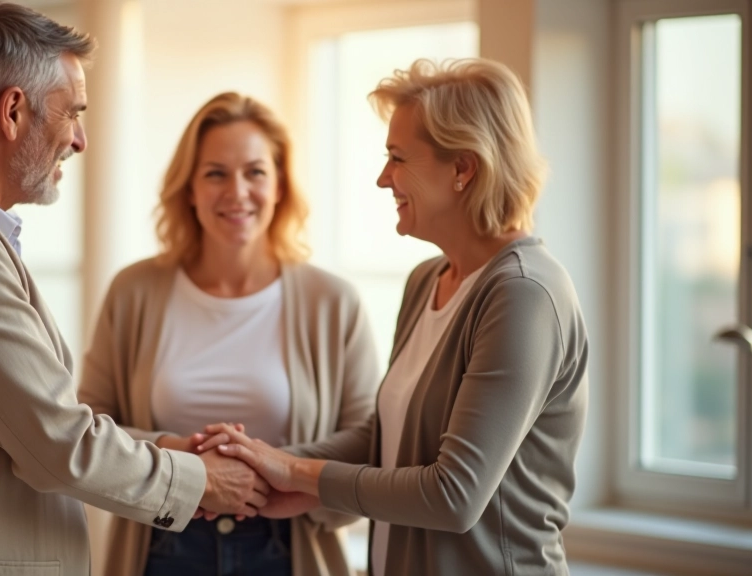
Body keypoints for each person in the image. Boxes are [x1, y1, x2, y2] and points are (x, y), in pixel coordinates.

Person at [0, 4, 266, 575]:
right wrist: (201, 480)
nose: (81, 140)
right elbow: (55, 446)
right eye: (74, 113)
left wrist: (162, 448)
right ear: (13, 110)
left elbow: (27, 417)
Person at [202, 58, 590, 576]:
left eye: (398, 158)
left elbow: (453, 495)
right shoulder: (428, 279)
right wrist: (261, 464)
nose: (384, 179)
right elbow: (384, 438)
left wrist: (295, 471)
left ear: (463, 168)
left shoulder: (522, 294)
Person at [77, 92, 380, 576]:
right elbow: (88, 428)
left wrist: (269, 470)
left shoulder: (334, 301)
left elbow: (371, 449)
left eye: (255, 172)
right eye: (216, 173)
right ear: (189, 189)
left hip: (288, 550)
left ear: (280, 185)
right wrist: (181, 460)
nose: (237, 191)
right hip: (160, 546)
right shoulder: (134, 291)